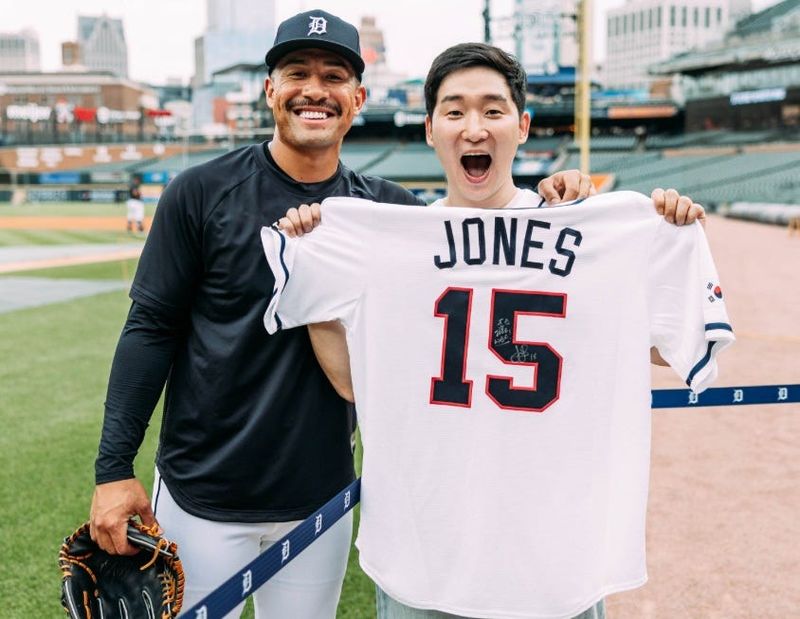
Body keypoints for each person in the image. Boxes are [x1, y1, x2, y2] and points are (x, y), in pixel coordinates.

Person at [87, 12, 599, 618]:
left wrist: (556, 202)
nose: (315, 89)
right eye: (297, 72)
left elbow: (488, 267)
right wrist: (113, 469)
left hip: (321, 499)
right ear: (270, 89)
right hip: (203, 495)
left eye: (334, 75)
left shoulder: (392, 213)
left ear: (356, 98)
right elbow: (150, 331)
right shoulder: (201, 192)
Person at [273, 43, 719, 619]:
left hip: (553, 563)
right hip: (427, 557)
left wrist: (665, 236)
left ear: (523, 125)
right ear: (430, 128)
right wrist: (317, 277)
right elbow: (351, 382)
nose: (474, 128)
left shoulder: (584, 230)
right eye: (455, 112)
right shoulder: (394, 244)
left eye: (493, 109)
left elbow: (662, 350)